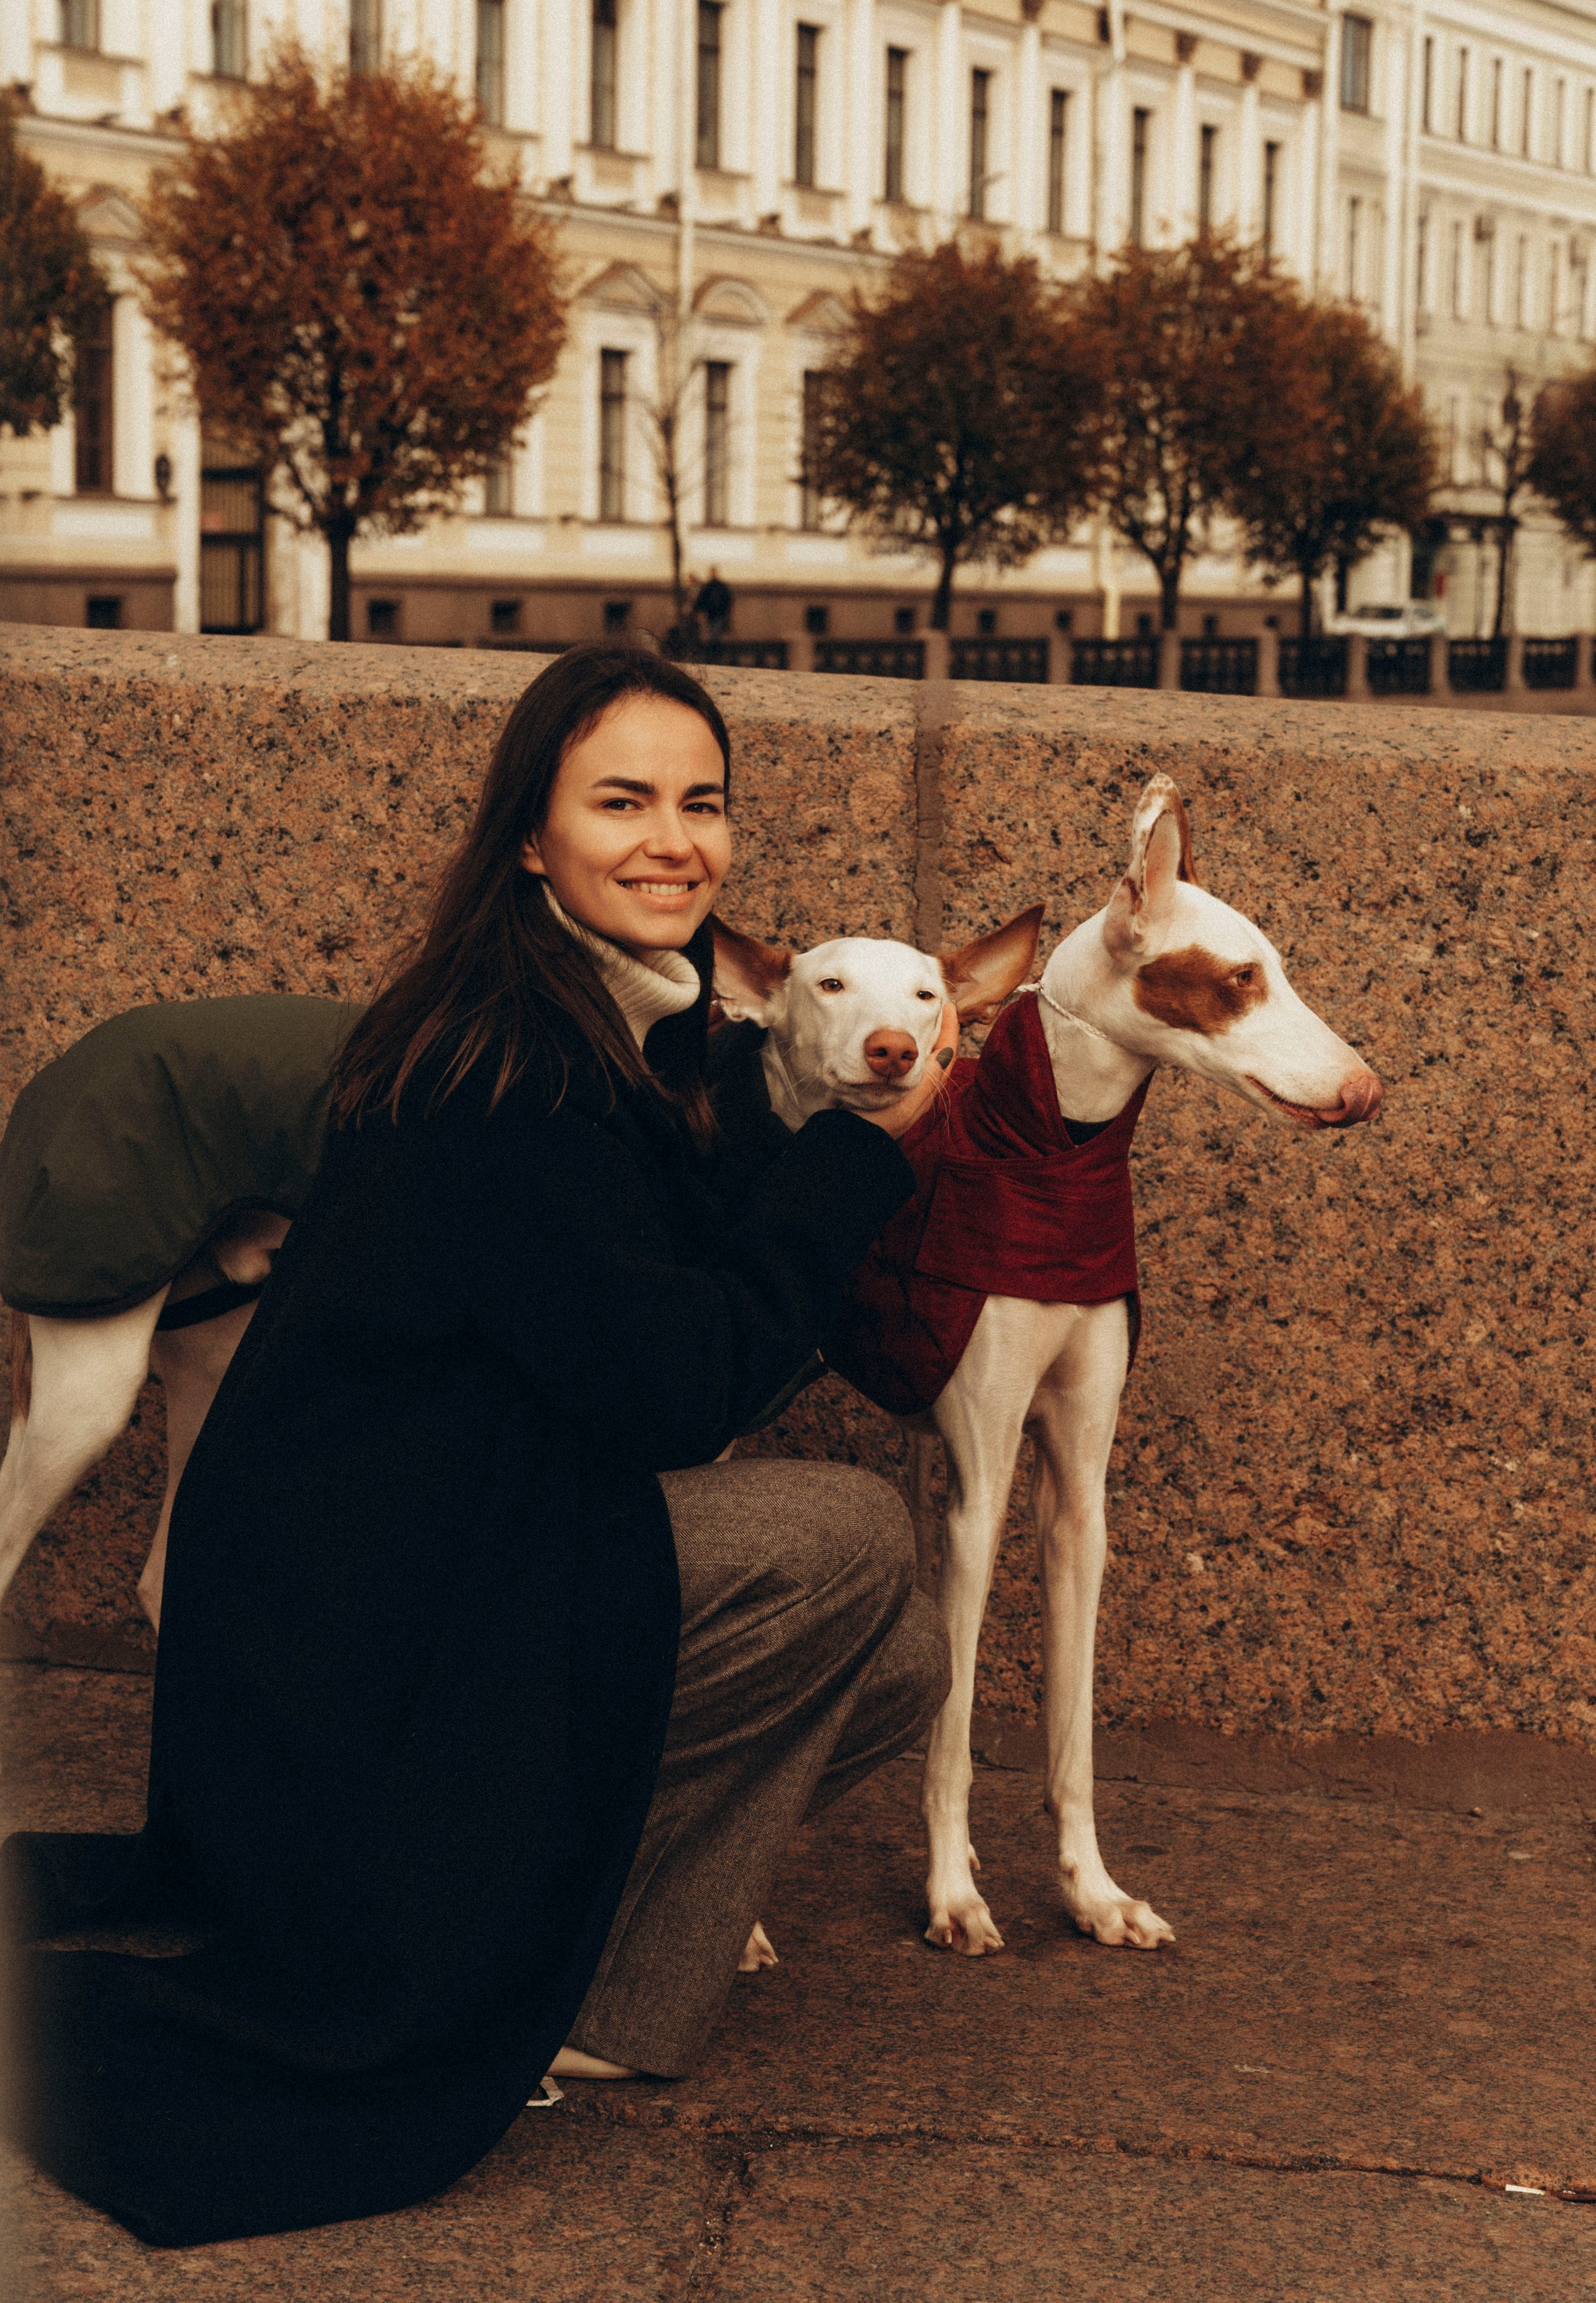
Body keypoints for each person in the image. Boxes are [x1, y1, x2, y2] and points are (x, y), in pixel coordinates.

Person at [2, 646, 953, 2249]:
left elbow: (658, 1301)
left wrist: (798, 1118)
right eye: (621, 801)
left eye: (703, 802)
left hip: (425, 1543)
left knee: (903, 1654)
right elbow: (671, 1387)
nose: (673, 839)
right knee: (848, 1537)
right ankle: (515, 1964)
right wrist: (856, 1160)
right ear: (532, 835)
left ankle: (562, 1956)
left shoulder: (602, 1018)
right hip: (361, 1618)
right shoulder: (510, 1065)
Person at [691, 566, 733, 641]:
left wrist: (698, 610)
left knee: (714, 633)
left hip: (715, 613)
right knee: (715, 633)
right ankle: (716, 648)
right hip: (716, 613)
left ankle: (714, 648)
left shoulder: (710, 587)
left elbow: (701, 600)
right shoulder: (719, 587)